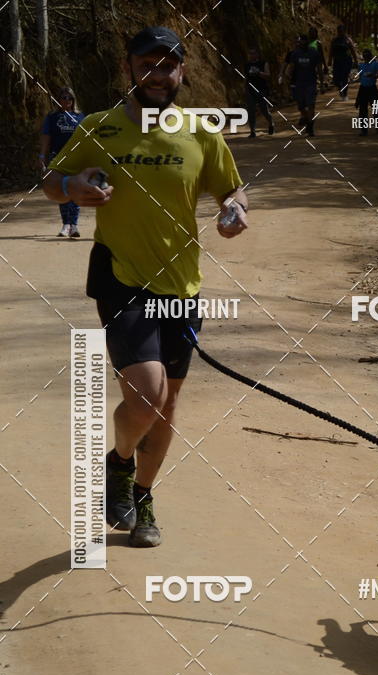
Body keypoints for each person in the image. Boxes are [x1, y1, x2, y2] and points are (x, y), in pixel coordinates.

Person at [43, 26, 247, 548]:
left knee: (167, 404)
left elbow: (231, 188)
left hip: (181, 285)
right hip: (121, 278)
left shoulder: (200, 132)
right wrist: (72, 186)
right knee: (148, 395)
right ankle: (119, 463)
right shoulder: (99, 127)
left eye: (168, 65)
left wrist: (234, 210)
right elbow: (52, 181)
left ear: (182, 71)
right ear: (129, 68)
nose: (158, 75)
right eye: (147, 65)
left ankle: (141, 493)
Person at [40, 87, 85, 237]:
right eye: (63, 97)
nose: (66, 100)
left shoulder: (80, 117)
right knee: (63, 189)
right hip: (58, 157)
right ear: (58, 100)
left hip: (76, 157)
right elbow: (46, 136)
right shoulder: (52, 117)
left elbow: (86, 138)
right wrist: (42, 155)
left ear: (73, 100)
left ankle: (74, 225)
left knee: (75, 189)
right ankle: (66, 224)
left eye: (69, 98)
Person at [282, 34, 322, 136]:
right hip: (298, 83)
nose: (302, 43)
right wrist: (287, 75)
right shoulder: (295, 54)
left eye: (304, 41)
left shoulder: (314, 53)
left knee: (311, 105)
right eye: (301, 42)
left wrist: (321, 82)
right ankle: (307, 119)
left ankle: (310, 127)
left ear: (307, 42)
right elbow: (291, 66)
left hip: (311, 83)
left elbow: (319, 68)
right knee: (301, 106)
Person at [245, 47, 274, 138]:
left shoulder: (263, 63)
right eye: (250, 53)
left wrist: (259, 73)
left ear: (257, 54)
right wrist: (245, 89)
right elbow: (246, 78)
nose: (251, 55)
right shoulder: (247, 65)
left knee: (264, 110)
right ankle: (252, 131)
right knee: (251, 110)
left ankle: (271, 123)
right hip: (250, 90)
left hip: (262, 89)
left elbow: (268, 75)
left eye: (253, 53)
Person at [355, 49, 378, 135]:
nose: (366, 56)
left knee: (376, 109)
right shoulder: (361, 65)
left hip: (372, 88)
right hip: (363, 89)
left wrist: (372, 75)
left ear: (370, 56)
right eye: (364, 55)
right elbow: (360, 78)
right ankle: (364, 130)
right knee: (362, 110)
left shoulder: (375, 64)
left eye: (367, 55)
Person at [328, 24, 358, 101]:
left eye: (341, 31)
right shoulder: (334, 40)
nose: (340, 32)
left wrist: (356, 61)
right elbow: (331, 50)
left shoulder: (348, 40)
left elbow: (353, 51)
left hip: (346, 61)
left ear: (344, 31)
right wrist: (329, 60)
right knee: (336, 79)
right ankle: (340, 87)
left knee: (344, 77)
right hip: (337, 61)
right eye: (339, 31)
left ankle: (345, 93)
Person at [308, 25, 328, 93]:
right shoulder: (307, 43)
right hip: (309, 61)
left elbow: (322, 54)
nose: (312, 34)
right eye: (311, 32)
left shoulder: (318, 43)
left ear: (316, 33)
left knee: (320, 72)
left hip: (318, 60)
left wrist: (325, 65)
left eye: (313, 32)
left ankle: (322, 86)